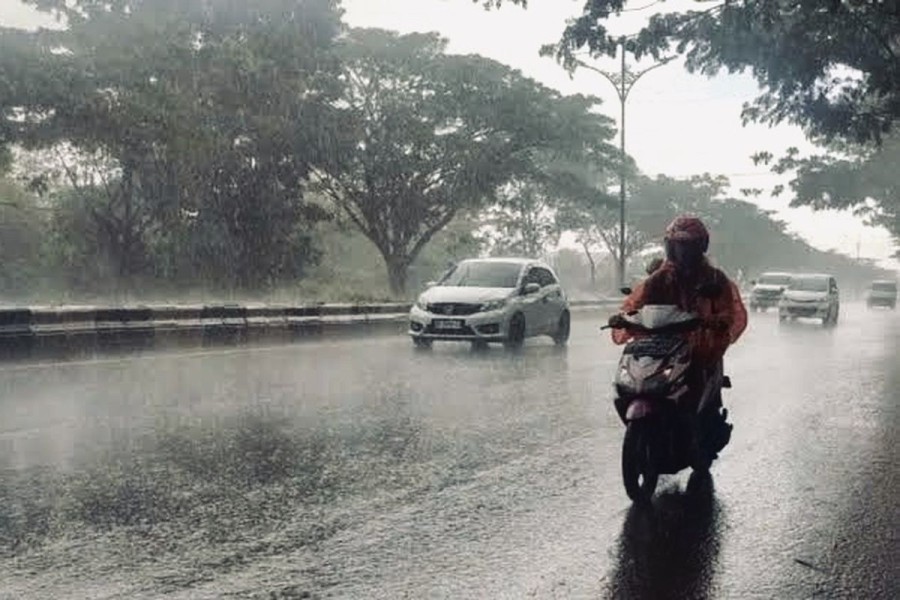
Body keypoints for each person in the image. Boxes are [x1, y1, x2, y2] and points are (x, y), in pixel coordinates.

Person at [609, 215, 748, 457]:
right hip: (661, 345)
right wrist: (624, 317)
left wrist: (714, 320)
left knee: (696, 380)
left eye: (688, 246)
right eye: (678, 245)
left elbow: (728, 312)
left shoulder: (715, 279)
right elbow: (637, 304)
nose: (683, 252)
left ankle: (697, 431)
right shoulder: (659, 278)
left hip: (699, 347)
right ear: (669, 246)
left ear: (700, 247)